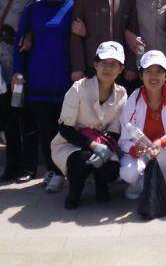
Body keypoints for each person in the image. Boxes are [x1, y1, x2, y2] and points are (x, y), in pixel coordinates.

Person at [12, 0, 74, 193]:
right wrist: (17, 72)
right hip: (38, 79)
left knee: (66, 130)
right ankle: (53, 170)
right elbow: (19, 43)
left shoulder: (73, 8)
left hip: (66, 80)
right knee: (46, 130)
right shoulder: (32, 11)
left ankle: (68, 170)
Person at [52, 41, 128, 209]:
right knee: (81, 160)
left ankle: (101, 183)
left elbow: (115, 131)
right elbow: (65, 128)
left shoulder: (122, 94)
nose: (107, 68)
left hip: (103, 142)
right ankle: (75, 188)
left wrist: (105, 149)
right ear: (95, 65)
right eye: (103, 63)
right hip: (72, 143)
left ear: (121, 68)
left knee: (111, 168)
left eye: (113, 64)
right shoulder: (78, 88)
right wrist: (93, 146)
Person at [118, 50, 166, 201]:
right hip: (141, 154)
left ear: (165, 75)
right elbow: (124, 139)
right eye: (149, 71)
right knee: (128, 174)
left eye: (159, 72)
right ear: (141, 76)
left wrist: (161, 142)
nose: (154, 77)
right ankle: (137, 186)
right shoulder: (133, 99)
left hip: (163, 150)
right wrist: (133, 149)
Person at [0, 0, 38, 182]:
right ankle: (11, 165)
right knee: (8, 120)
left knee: (26, 118)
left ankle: (29, 166)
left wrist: (31, 36)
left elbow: (39, 21)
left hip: (21, 66)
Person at [70, 0, 137, 83]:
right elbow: (75, 33)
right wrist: (78, 68)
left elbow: (132, 31)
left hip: (118, 66)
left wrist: (130, 66)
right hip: (92, 65)